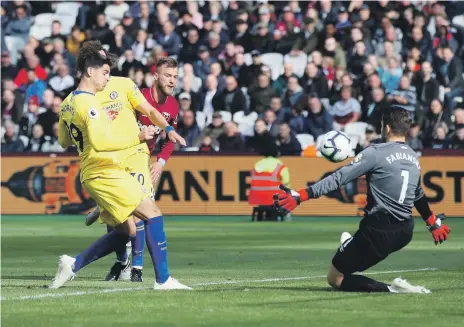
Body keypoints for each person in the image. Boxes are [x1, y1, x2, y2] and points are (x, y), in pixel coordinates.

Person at [50, 41, 190, 290]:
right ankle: (162, 279)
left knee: (128, 231)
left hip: (102, 169)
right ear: (89, 70)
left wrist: (166, 129)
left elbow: (63, 140)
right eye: (104, 70)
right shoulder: (89, 102)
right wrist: (138, 136)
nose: (108, 75)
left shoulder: (68, 102)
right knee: (152, 213)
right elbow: (102, 143)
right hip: (104, 169)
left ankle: (73, 264)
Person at [274, 108, 450, 294]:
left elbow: (339, 178)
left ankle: (393, 289)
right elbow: (418, 193)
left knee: (336, 278)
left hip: (378, 232)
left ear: (387, 128)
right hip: (405, 231)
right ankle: (350, 245)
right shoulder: (414, 157)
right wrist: (432, 222)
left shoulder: (375, 153)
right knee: (355, 251)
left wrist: (301, 195)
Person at [85, 57, 181, 283]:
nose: (172, 81)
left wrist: (161, 162)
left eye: (175, 77)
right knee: (118, 218)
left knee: (140, 214)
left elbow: (170, 139)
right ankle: (123, 260)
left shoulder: (173, 106)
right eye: (167, 75)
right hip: (119, 156)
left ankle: (135, 267)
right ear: (156, 76)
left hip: (142, 160)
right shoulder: (138, 96)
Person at [248, 141, 289, 221]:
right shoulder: (280, 165)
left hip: (257, 197)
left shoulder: (257, 164)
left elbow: (253, 179)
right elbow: (286, 182)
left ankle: (260, 218)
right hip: (274, 198)